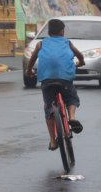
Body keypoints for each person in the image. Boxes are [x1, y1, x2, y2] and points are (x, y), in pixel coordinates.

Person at [26, 18, 86, 151]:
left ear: (49, 32)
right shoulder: (67, 42)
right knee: (71, 98)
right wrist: (80, 62)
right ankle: (72, 117)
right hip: (65, 79)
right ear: (62, 31)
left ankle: (53, 141)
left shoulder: (41, 44)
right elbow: (80, 56)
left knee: (49, 108)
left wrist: (29, 71)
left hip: (47, 80)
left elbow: (32, 59)